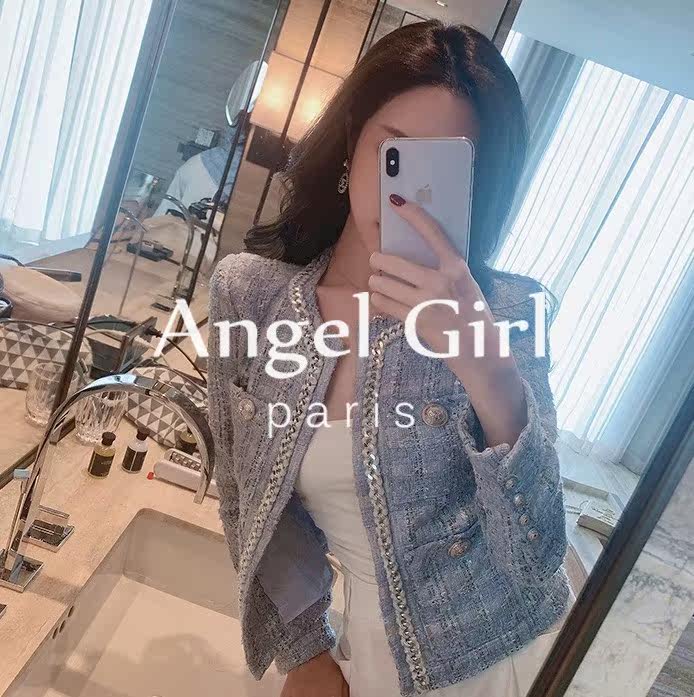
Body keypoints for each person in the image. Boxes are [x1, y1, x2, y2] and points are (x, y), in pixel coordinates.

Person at [207, 20, 572, 697]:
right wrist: (303, 650)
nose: (405, 196)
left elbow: (537, 557)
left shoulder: (510, 314)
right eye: (394, 152)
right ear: (353, 141)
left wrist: (487, 368)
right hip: (362, 651)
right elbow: (243, 493)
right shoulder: (250, 296)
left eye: (443, 170)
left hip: (496, 659)